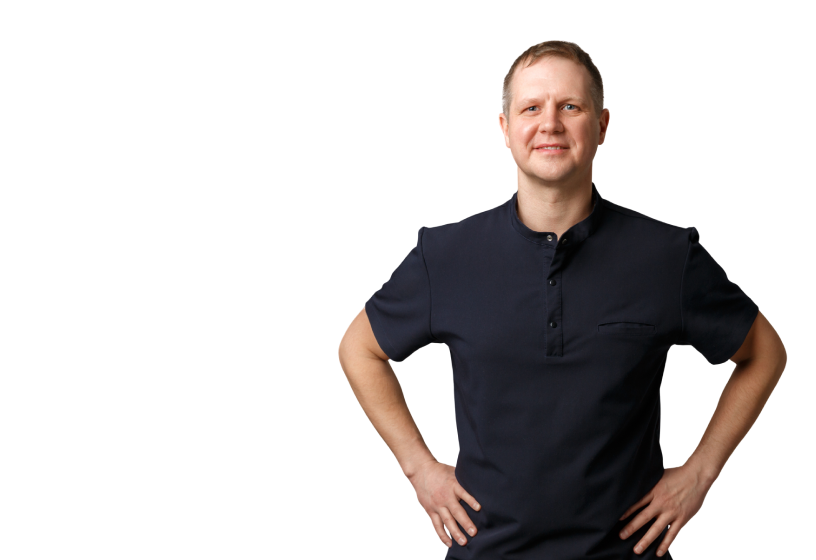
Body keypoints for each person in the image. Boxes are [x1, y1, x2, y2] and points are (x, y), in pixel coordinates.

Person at [337, 40, 787, 559]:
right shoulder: (445, 255)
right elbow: (358, 348)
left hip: (625, 554)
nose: (549, 124)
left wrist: (701, 473)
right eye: (531, 108)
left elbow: (764, 353)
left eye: (570, 106)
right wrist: (418, 469)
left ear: (602, 125)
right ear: (505, 129)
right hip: (485, 552)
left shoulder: (667, 256)